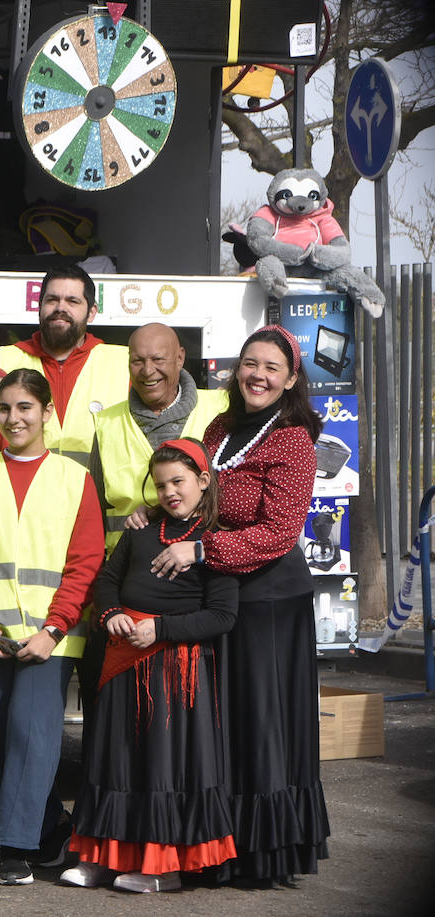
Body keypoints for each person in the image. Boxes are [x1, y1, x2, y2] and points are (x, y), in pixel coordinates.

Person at [144, 325, 329, 887]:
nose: (258, 375)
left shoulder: (294, 439)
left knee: (260, 721)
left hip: (270, 602)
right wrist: (152, 518)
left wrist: (200, 548)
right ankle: (217, 842)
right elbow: (195, 489)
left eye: (272, 367)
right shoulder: (220, 428)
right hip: (221, 593)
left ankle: (264, 851)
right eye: (250, 363)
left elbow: (278, 532)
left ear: (291, 378)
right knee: (221, 721)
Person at [0, 368, 103, 886]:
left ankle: (13, 849)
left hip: (50, 640)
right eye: (5, 408)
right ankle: (52, 828)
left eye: (26, 407)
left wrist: (53, 629)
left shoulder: (74, 478)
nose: (14, 418)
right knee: (6, 743)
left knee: (30, 740)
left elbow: (85, 563)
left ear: (47, 413)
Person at [62, 439, 239, 894]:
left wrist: (160, 629)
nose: (169, 492)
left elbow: (222, 616)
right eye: (161, 485)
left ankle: (163, 867)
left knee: (161, 767)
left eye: (178, 482)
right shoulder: (140, 533)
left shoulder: (214, 543)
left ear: (203, 481)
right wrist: (109, 614)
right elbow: (105, 579)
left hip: (174, 670)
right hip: (124, 661)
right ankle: (103, 858)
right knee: (115, 762)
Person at [91, 323, 228, 552]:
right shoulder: (107, 424)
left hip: (203, 570)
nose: (147, 370)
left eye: (158, 359)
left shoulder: (220, 410)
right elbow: (91, 518)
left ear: (180, 357)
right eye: (138, 361)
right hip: (131, 572)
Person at [0, 264, 129, 467]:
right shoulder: (1, 360)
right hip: (20, 493)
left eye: (72, 301)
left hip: (97, 496)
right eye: (52, 300)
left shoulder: (124, 363)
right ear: (39, 306)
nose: (60, 308)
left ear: (92, 312)